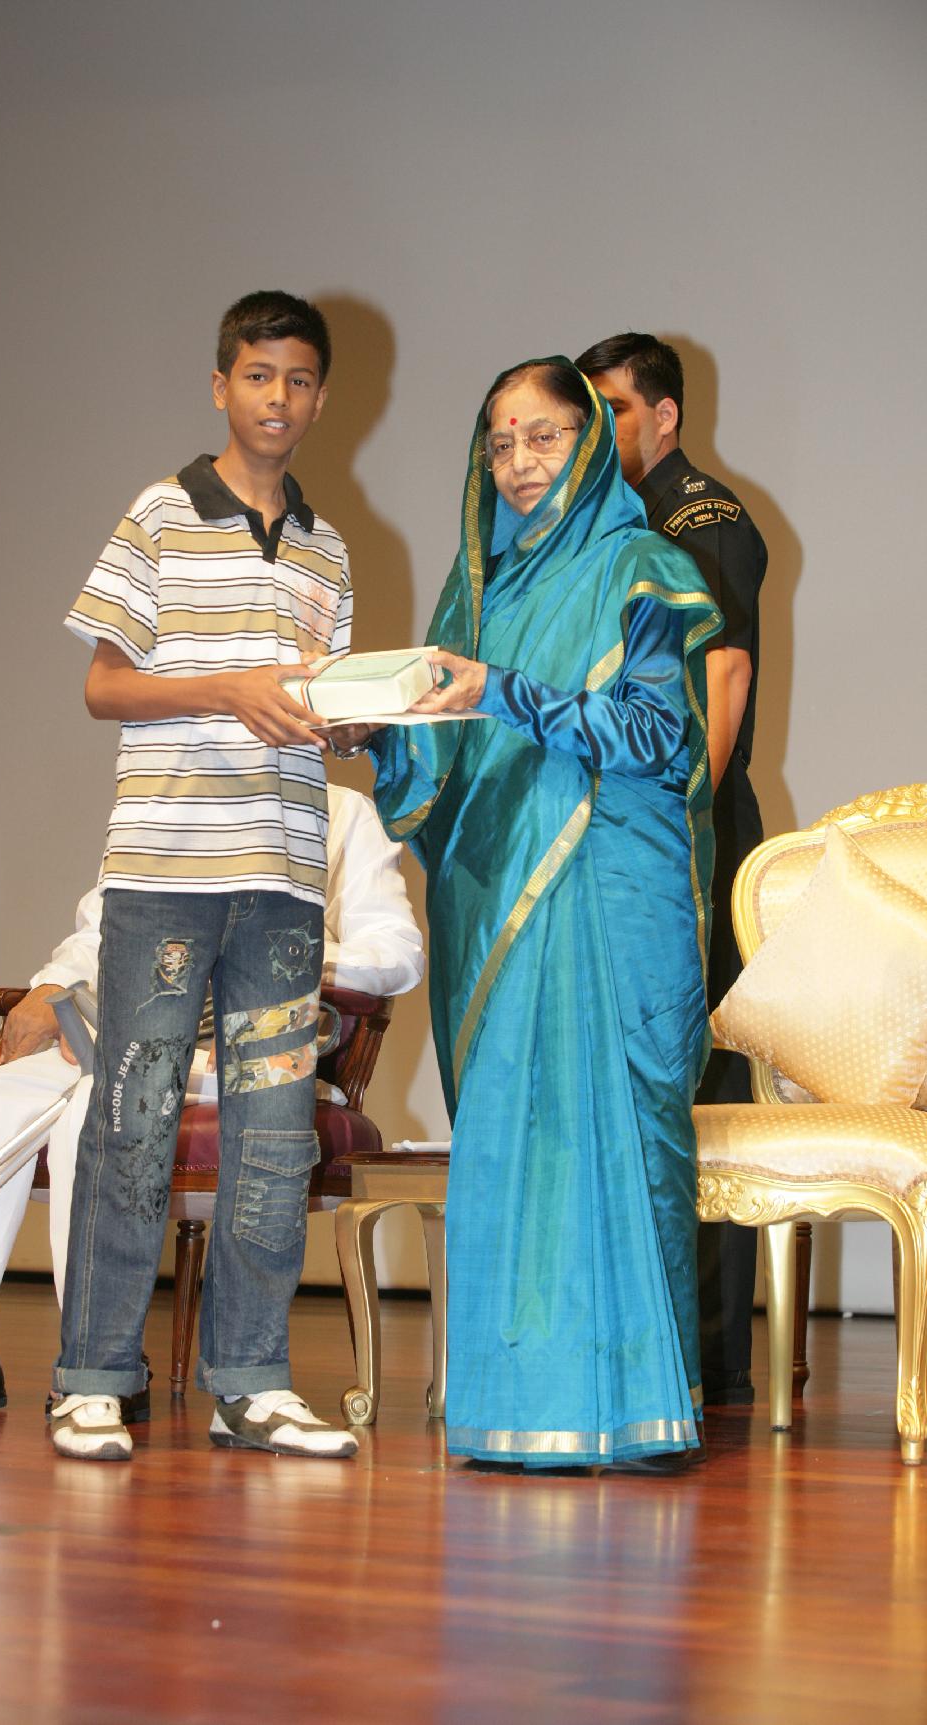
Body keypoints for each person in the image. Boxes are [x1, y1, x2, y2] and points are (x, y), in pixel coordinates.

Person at [344, 357, 721, 1471]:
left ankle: (644, 1410)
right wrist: (378, 732)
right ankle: (523, 1405)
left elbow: (659, 739)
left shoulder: (642, 568)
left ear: (591, 443)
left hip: (611, 888)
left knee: (620, 1127)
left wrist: (502, 691)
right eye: (499, 443)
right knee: (521, 1135)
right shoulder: (479, 595)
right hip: (495, 893)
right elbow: (443, 766)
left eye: (543, 437)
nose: (517, 463)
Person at [0, 786, 423, 1415]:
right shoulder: (166, 799)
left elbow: (397, 952)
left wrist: (256, 965)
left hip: (254, 1057)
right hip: (135, 1039)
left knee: (94, 1110)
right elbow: (100, 932)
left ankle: (102, 1360)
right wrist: (50, 987)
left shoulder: (336, 812)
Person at [51, 290, 360, 1463]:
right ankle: (94, 1376)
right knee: (131, 1122)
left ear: (321, 398)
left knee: (274, 1137)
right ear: (221, 385)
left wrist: (355, 721)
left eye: (298, 379)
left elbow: (324, 708)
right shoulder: (160, 514)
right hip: (167, 871)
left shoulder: (329, 549)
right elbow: (104, 686)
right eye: (257, 375)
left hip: (284, 879)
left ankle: (252, 1380)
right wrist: (226, 690)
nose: (278, 398)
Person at [575, 333, 768, 1406]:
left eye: (613, 408)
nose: (597, 428)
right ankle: (642, 1335)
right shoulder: (613, 528)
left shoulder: (702, 521)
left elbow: (722, 677)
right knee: (639, 1077)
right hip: (632, 840)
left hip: (693, 838)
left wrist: (678, 826)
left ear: (664, 417)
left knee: (699, 1085)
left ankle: (707, 1357)